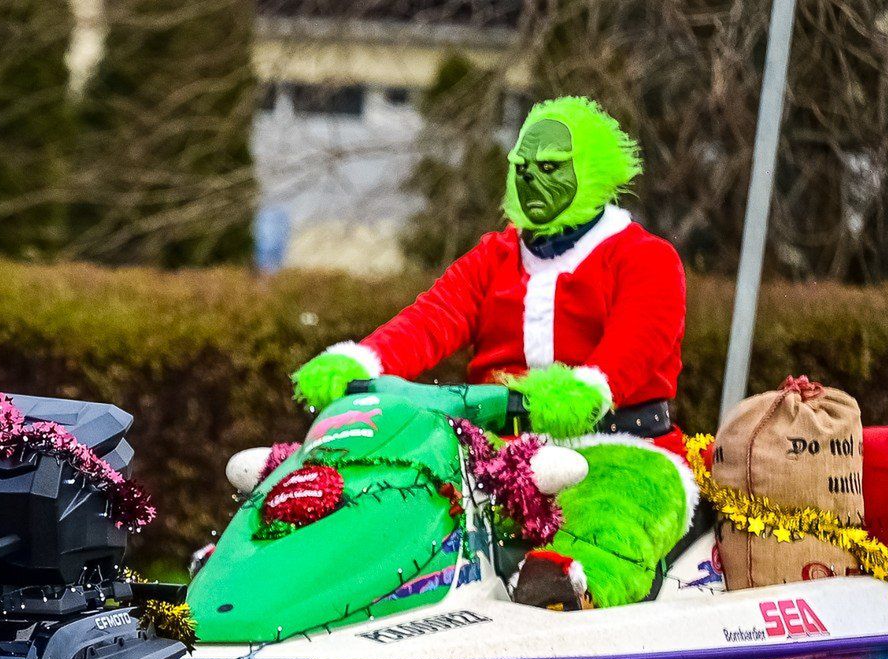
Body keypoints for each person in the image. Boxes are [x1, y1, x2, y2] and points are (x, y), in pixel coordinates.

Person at [291, 96, 694, 610]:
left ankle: (574, 585)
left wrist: (586, 389)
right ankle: (324, 581)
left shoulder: (645, 257)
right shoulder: (494, 256)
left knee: (621, 506)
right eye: (521, 168)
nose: (530, 181)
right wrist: (363, 361)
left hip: (617, 447)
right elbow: (432, 318)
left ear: (592, 172)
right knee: (401, 489)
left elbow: (639, 343)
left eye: (549, 169)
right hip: (496, 453)